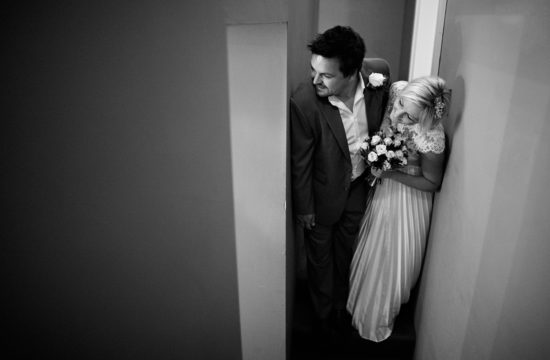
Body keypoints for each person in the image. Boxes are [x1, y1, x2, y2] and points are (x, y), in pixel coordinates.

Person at [290, 25, 391, 335]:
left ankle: (344, 307)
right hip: (321, 195)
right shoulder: (304, 101)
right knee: (320, 259)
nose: (315, 79)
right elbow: (300, 161)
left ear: (351, 73)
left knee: (350, 251)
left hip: (359, 187)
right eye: (313, 70)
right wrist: (304, 207)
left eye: (326, 75)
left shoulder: (379, 76)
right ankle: (323, 317)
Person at [346, 76, 451, 342]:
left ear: (426, 118)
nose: (398, 115)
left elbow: (432, 182)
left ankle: (378, 314)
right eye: (400, 106)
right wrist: (379, 148)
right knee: (373, 244)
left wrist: (391, 174)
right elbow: (388, 123)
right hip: (385, 188)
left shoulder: (432, 140)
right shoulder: (397, 92)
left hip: (409, 198)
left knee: (392, 254)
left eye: (409, 117)